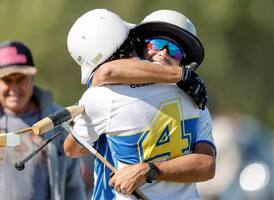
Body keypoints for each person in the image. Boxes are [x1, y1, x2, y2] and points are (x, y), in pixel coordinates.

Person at [64, 9, 215, 200]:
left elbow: (71, 149)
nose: (163, 53)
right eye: (157, 44)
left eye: (174, 50)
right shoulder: (195, 98)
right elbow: (207, 166)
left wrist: (149, 170)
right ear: (141, 46)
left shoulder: (103, 96)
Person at [0, 40, 86, 200]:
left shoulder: (57, 119)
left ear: (32, 78)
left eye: (20, 79)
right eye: (7, 80)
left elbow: (72, 185)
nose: (14, 89)